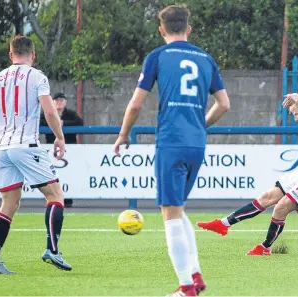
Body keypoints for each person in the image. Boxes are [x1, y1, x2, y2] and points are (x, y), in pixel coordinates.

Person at [113, 5, 230, 296]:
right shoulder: (206, 58)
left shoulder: (158, 56)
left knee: (170, 212)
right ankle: (195, 275)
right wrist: (201, 125)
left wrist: (123, 134)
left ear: (161, 29)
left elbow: (137, 103)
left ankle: (186, 287)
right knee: (176, 208)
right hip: (196, 142)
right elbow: (224, 104)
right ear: (188, 28)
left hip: (171, 140)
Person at [198, 93, 298, 256]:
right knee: (267, 196)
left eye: (296, 113)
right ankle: (223, 224)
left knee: (281, 207)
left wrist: (296, 96)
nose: (295, 118)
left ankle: (265, 247)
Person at [0, 35, 72, 274]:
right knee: (55, 196)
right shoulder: (37, 76)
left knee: (9, 203)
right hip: (26, 145)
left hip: (3, 149)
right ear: (33, 54)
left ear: (10, 55)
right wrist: (59, 137)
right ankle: (52, 249)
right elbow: (50, 111)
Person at [40, 92, 83, 207]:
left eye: (61, 100)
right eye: (57, 100)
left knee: (68, 173)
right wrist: (54, 122)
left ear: (65, 102)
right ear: (52, 102)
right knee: (52, 173)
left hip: (69, 147)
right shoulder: (47, 113)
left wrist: (63, 123)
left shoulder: (70, 114)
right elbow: (40, 123)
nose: (59, 102)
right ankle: (52, 197)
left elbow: (80, 123)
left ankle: (68, 198)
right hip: (51, 148)